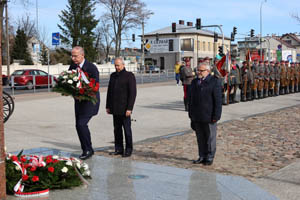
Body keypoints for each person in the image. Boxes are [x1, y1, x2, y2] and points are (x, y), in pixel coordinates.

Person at [69, 46, 100, 160]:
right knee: (78, 126)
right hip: (78, 102)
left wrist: (83, 93)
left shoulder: (91, 68)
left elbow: (95, 86)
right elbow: (69, 82)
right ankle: (86, 149)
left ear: (82, 55)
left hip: (90, 101)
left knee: (81, 124)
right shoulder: (73, 67)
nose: (73, 58)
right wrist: (72, 92)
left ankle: (88, 149)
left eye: (75, 56)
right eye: (72, 56)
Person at [189, 63, 222, 166]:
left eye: (201, 70)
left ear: (207, 71)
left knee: (210, 138)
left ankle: (210, 156)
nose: (198, 72)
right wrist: (191, 114)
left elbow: (218, 101)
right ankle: (202, 156)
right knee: (200, 138)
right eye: (198, 70)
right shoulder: (194, 82)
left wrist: (216, 116)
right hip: (197, 116)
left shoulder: (214, 81)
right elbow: (191, 99)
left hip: (209, 116)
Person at [106, 57, 137, 157]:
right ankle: (118, 148)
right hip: (115, 108)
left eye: (118, 65)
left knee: (127, 130)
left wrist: (130, 108)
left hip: (125, 108)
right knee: (117, 129)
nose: (117, 67)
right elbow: (109, 91)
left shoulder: (129, 76)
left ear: (123, 65)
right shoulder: (113, 76)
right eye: (115, 65)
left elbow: (133, 93)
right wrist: (108, 105)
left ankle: (128, 149)